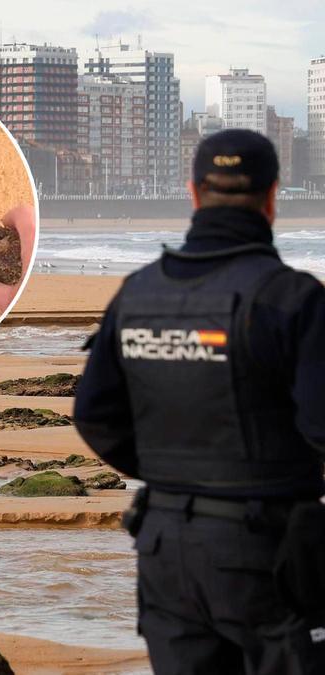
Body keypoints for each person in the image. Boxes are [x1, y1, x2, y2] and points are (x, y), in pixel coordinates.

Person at [73, 129, 325, 674]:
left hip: (165, 547)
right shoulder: (293, 300)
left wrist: (175, 476)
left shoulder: (137, 295)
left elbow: (94, 415)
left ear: (193, 193)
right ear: (272, 196)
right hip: (267, 548)